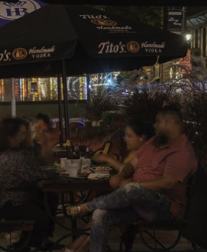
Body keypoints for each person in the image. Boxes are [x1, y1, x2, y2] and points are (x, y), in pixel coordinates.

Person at [67, 107, 198, 252]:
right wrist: (121, 175)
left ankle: (87, 207)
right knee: (100, 214)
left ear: (172, 123)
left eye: (158, 122)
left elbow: (167, 183)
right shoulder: (154, 141)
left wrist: (133, 184)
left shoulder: (181, 151)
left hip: (163, 207)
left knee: (132, 189)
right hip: (136, 203)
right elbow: (130, 165)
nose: (154, 125)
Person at [0, 118, 57, 250]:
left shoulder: (7, 152)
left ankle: (25, 244)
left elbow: (36, 164)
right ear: (10, 136)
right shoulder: (13, 157)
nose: (24, 137)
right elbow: (34, 174)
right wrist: (57, 173)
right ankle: (32, 245)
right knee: (43, 215)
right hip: (6, 204)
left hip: (2, 200)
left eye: (25, 133)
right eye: (22, 134)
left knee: (48, 198)